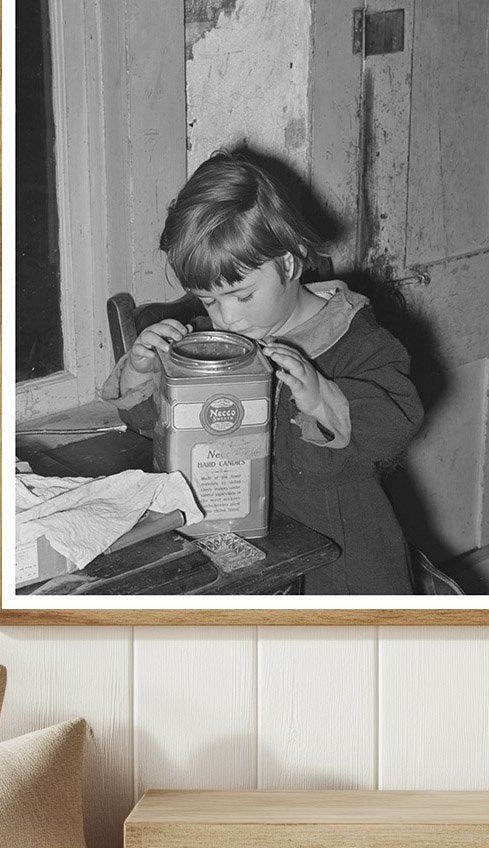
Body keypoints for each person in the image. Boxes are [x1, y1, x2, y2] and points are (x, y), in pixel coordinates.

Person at [102, 151, 423, 595]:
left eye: (242, 295)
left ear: (289, 265)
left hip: (340, 561)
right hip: (240, 551)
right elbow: (152, 429)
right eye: (209, 301)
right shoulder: (214, 347)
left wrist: (321, 396)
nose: (226, 318)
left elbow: (394, 426)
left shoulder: (355, 339)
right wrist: (142, 370)